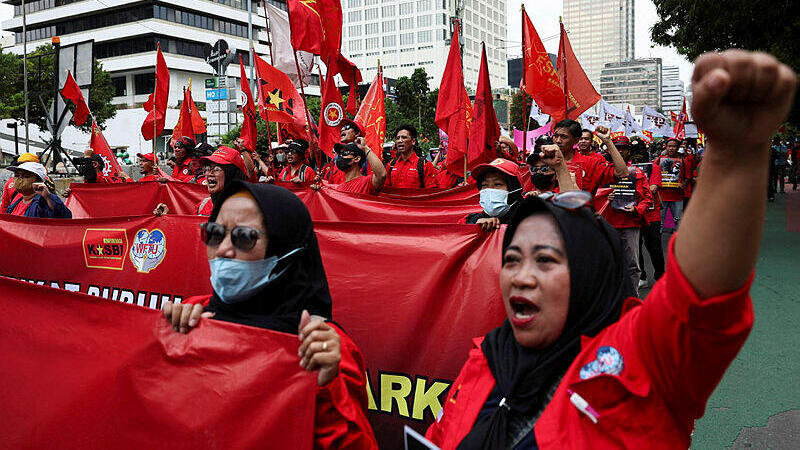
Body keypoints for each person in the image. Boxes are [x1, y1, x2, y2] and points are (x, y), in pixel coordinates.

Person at [425, 49, 795, 449]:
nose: (521, 276)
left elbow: (701, 296)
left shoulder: (640, 361)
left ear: (589, 273)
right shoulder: (484, 359)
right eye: (511, 260)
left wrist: (736, 153)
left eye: (546, 260)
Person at [160, 181, 378, 448]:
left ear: (285, 250)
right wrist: (166, 347)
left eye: (244, 237)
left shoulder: (323, 346)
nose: (224, 250)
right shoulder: (193, 314)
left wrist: (325, 390)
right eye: (215, 233)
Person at [593, 135, 654, 297]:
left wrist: (636, 209)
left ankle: (632, 297)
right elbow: (591, 193)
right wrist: (605, 197)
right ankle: (610, 297)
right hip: (607, 224)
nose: (620, 151)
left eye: (623, 149)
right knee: (608, 263)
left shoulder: (637, 172)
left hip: (629, 224)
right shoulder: (602, 171)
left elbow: (647, 198)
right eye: (617, 148)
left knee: (632, 265)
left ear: (628, 151)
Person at [553, 121, 628, 195]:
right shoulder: (544, 160)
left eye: (564, 137)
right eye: (555, 136)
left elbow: (622, 173)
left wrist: (607, 141)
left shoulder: (591, 163)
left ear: (575, 140)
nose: (558, 140)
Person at [462, 158, 525, 231]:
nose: (490, 189)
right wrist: (475, 228)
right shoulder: (469, 220)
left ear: (514, 189)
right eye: (485, 185)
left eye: (497, 184)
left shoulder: (532, 220)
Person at [4, 162, 71, 218]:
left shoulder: (43, 203)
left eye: (26, 176)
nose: (20, 179)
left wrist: (48, 197)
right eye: (17, 175)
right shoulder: (14, 205)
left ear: (38, 181)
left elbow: (62, 216)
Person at [323, 138, 387, 195]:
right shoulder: (339, 188)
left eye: (345, 153)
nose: (340, 156)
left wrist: (365, 148)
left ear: (357, 159)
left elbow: (381, 175)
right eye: (340, 154)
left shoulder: (366, 182)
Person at [195, 146, 247, 216]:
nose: (210, 173)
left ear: (231, 175)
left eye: (216, 169)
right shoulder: (203, 205)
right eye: (208, 168)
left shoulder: (247, 209)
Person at [652, 138, 689, 230]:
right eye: (669, 146)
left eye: (674, 146)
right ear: (666, 147)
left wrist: (683, 183)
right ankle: (658, 242)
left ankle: (677, 242)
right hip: (662, 196)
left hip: (677, 197)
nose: (671, 148)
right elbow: (653, 175)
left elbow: (688, 176)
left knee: (678, 221)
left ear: (677, 148)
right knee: (659, 222)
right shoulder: (659, 160)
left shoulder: (684, 161)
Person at [320, 119, 363, 185]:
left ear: (357, 133)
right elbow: (331, 182)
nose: (342, 129)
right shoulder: (337, 158)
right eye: (342, 128)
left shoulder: (365, 156)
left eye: (347, 127)